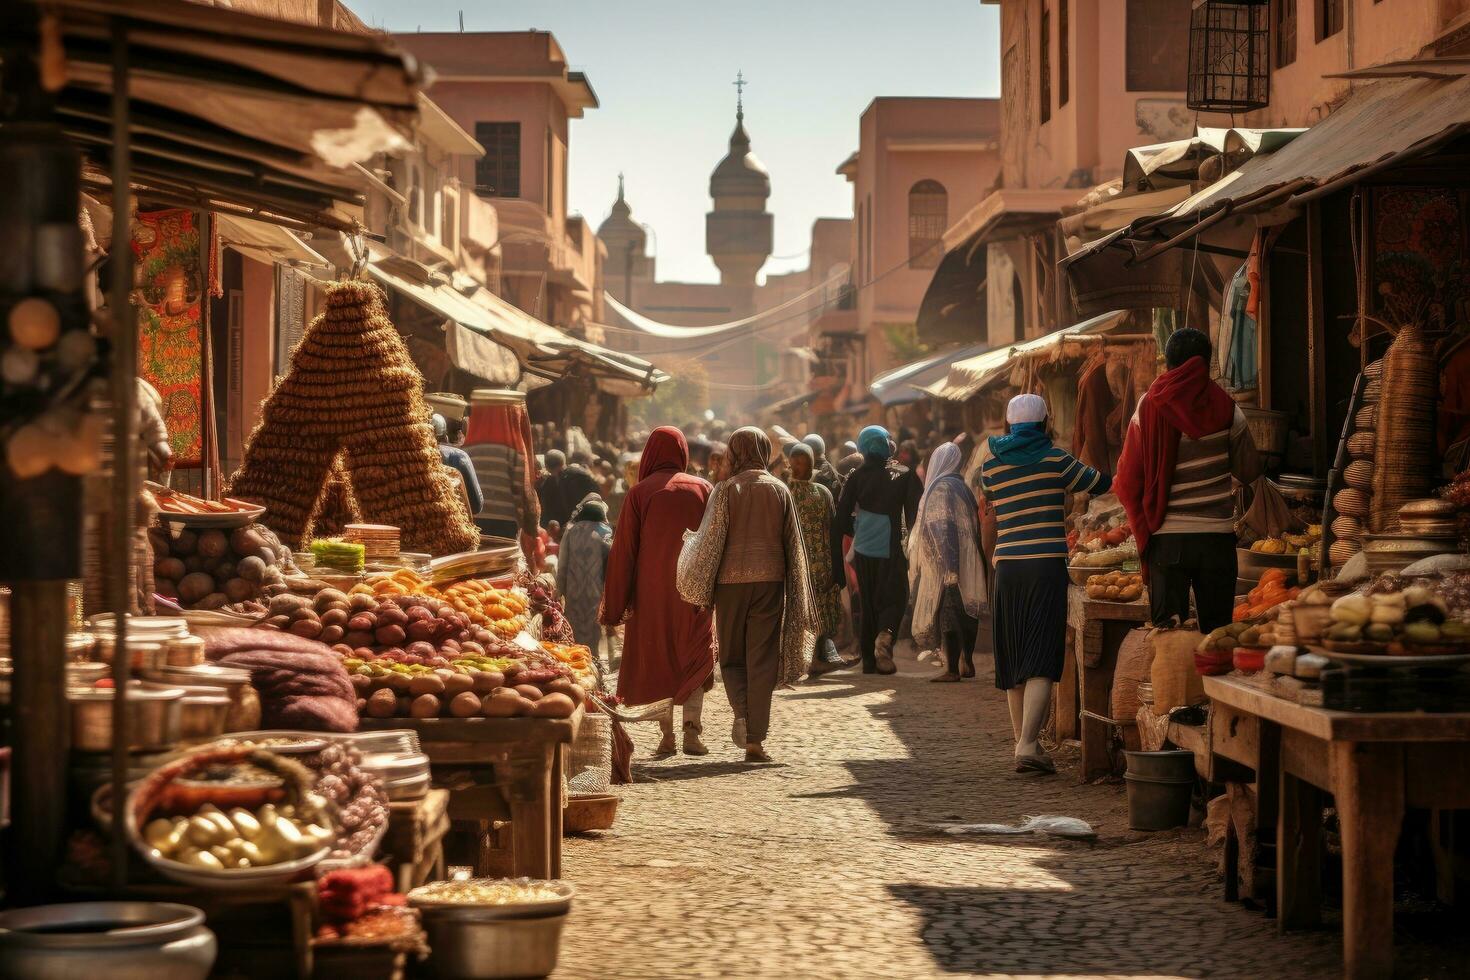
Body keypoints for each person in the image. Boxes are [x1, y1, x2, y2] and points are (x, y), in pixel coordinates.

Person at [979, 393, 1110, 774]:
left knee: (1015, 653)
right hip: (1045, 565)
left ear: (1009, 425)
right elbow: (1098, 483)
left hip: (1007, 568)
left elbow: (992, 512)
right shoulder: (1056, 460)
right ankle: (1028, 745)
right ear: (1044, 423)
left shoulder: (991, 466)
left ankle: (1025, 741)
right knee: (1041, 652)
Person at [1114, 327, 1261, 633]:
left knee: (1169, 641)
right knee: (1217, 638)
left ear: (1168, 364)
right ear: (1204, 364)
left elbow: (1127, 482)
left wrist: (1144, 531)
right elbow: (1249, 471)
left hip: (1168, 544)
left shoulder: (1147, 407)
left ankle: (1177, 684)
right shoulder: (1229, 409)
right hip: (1217, 542)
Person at [688, 427, 813, 762]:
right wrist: (795, 589)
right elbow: (793, 545)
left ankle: (742, 713)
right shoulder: (780, 490)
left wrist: (700, 587)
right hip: (770, 583)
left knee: (731, 657)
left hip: (729, 587)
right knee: (762, 659)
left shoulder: (726, 490)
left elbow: (710, 543)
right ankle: (755, 740)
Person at [601, 427, 715, 757]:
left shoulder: (640, 493)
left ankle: (667, 737)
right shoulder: (704, 488)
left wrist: (615, 604)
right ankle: (693, 731)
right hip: (694, 590)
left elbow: (624, 551)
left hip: (651, 592)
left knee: (659, 659)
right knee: (694, 653)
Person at [832, 425, 921, 674]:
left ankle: (869, 662)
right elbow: (916, 514)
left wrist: (839, 563)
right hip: (890, 545)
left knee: (869, 602)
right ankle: (885, 636)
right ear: (886, 444)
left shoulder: (856, 476)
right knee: (897, 595)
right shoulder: (903, 473)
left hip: (863, 547)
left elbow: (839, 520)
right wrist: (914, 546)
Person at [908, 442, 986, 682]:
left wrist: (949, 567)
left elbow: (943, 528)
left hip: (948, 562)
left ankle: (951, 668)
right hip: (969, 557)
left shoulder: (940, 489)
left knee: (949, 612)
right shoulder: (961, 486)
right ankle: (967, 661)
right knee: (967, 609)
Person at [788, 444, 845, 677]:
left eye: (803, 462)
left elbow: (833, 531)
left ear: (812, 464)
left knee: (819, 613)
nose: (798, 467)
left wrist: (836, 568)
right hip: (801, 564)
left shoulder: (821, 493)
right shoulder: (785, 492)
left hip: (821, 564)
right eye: (795, 462)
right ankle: (805, 660)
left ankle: (816, 659)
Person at [555, 494, 613, 661]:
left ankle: (577, 664)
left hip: (573, 591)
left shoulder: (571, 531)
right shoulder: (605, 532)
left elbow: (563, 564)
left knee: (574, 629)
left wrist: (559, 591)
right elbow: (610, 564)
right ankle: (593, 663)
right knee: (593, 631)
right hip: (595, 592)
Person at [434, 414, 483, 517]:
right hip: (452, 526)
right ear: (445, 437)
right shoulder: (459, 457)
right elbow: (476, 505)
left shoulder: (407, 458)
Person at [537, 449, 599, 529]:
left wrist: (573, 522)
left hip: (580, 526)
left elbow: (588, 502)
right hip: (562, 527)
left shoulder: (577, 477)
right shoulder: (550, 481)